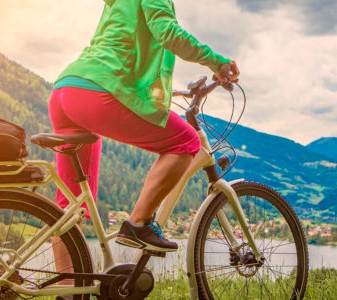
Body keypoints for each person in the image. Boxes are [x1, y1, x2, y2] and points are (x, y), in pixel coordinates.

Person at [47, 0, 239, 278]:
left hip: (67, 88)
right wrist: (217, 62)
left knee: (71, 206)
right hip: (100, 90)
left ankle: (68, 293)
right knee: (185, 141)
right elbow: (168, 34)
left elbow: (123, 46)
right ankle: (138, 223)